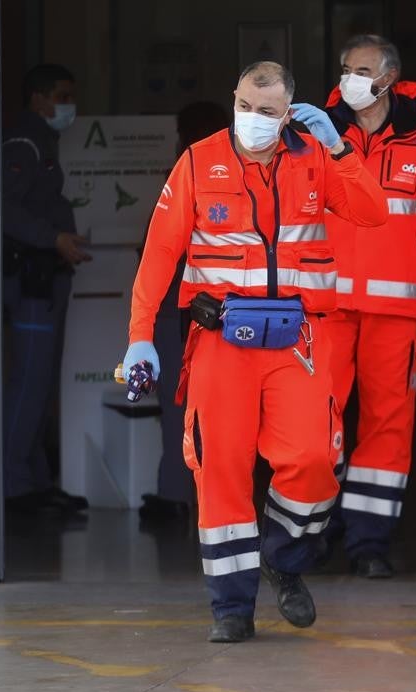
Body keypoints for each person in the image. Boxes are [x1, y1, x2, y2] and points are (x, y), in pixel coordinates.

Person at [120, 61, 387, 643]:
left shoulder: (315, 155)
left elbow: (372, 212)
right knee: (220, 471)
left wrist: (340, 147)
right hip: (220, 341)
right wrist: (142, 332)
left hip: (298, 341)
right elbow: (160, 253)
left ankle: (283, 560)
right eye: (245, 106)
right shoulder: (198, 159)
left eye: (267, 112)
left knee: (317, 460)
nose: (253, 120)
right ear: (233, 99)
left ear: (288, 113)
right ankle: (231, 607)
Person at [318, 35, 416, 579]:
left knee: (387, 425)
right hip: (326, 305)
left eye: (360, 69)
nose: (349, 78)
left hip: (396, 310)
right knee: (316, 419)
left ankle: (368, 541)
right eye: (344, 69)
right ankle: (312, 530)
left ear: (388, 78)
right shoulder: (318, 130)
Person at [2, 63, 93, 517]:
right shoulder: (23, 139)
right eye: (61, 95)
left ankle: (35, 480)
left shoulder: (40, 138)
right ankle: (14, 488)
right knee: (29, 384)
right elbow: (3, 208)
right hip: (32, 279)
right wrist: (53, 238)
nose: (68, 105)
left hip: (48, 277)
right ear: (38, 98)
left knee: (40, 386)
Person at [138, 101, 231, 526]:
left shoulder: (187, 177)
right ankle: (190, 497)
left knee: (183, 409)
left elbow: (158, 252)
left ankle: (178, 496)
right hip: (225, 315)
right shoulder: (229, 177)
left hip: (187, 313)